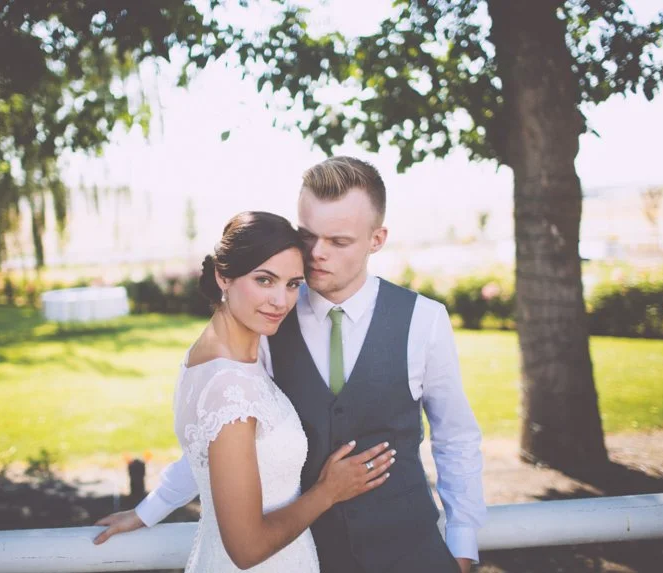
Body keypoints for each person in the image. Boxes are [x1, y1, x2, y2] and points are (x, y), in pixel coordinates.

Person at [96, 158, 486, 573]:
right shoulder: (267, 320)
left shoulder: (424, 320)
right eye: (307, 236)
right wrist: (149, 510)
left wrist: (462, 551)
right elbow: (221, 438)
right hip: (311, 555)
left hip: (412, 554)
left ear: (377, 239)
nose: (316, 254)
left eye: (338, 241)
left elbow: (456, 439)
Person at [95, 211, 395, 572]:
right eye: (264, 280)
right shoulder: (229, 388)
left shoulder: (228, 357)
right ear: (224, 276)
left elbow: (208, 458)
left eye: (292, 284)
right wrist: (328, 492)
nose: (281, 302)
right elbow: (246, 548)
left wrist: (148, 510)